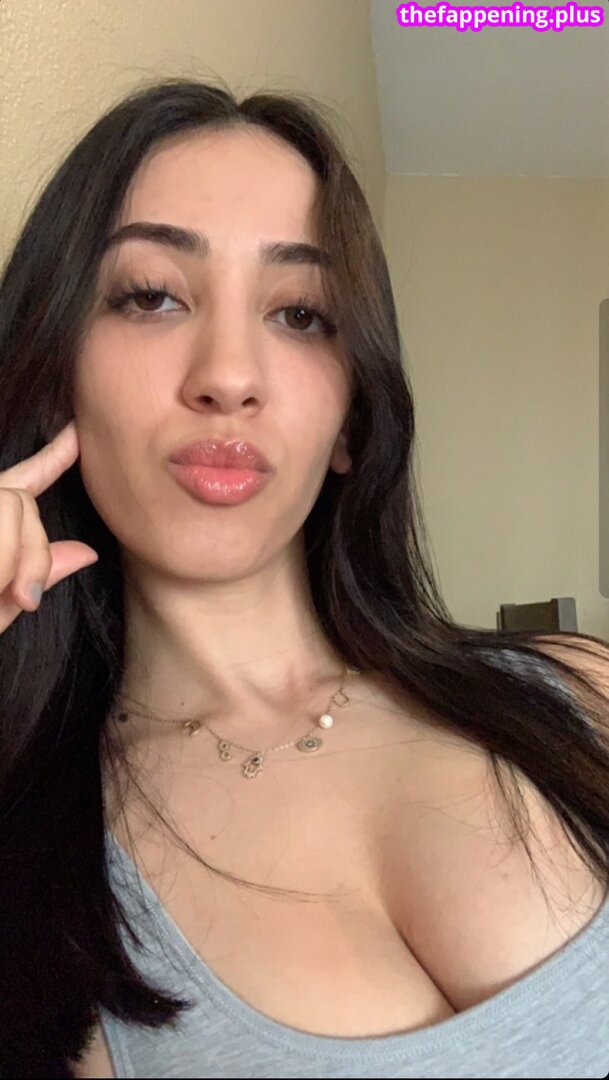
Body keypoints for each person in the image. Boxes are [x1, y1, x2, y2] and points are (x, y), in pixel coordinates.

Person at [0, 77, 608, 1080]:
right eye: (152, 296)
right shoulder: (41, 889)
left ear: (350, 421)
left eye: (299, 313)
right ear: (56, 372)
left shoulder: (579, 692)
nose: (229, 375)